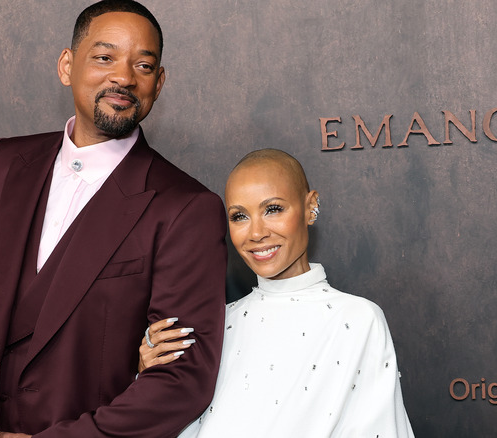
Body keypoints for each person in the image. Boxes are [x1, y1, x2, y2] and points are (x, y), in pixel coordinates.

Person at [0, 1, 227, 437]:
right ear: (67, 65)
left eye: (143, 65)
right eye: (104, 57)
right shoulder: (5, 162)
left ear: (158, 83)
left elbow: (182, 382)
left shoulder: (186, 207)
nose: (123, 77)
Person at [140, 149, 415, 437]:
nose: (256, 233)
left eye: (273, 209)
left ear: (310, 207)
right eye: (239, 216)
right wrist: (149, 376)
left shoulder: (358, 319)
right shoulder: (218, 323)